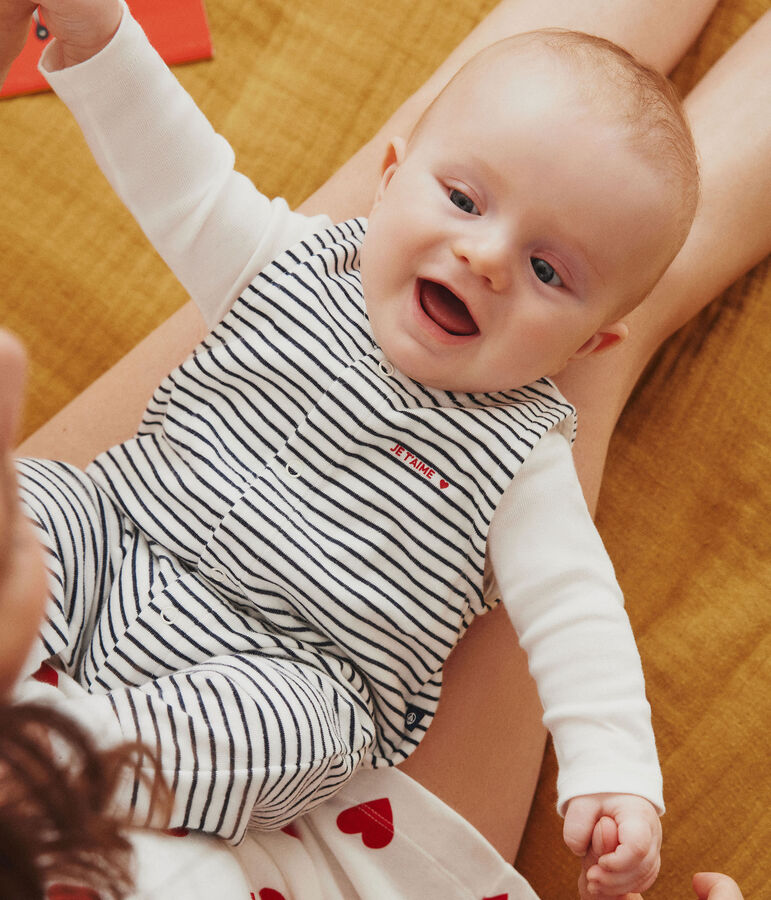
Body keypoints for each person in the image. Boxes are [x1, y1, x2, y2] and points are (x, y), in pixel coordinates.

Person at [2, 0, 769, 897]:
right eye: (461, 199)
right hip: (115, 536)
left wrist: (614, 775)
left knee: (288, 731)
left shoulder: (524, 456)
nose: (484, 257)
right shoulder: (292, 264)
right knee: (40, 503)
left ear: (586, 345)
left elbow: (575, 612)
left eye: (548, 273)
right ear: (388, 181)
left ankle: (70, 764)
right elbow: (184, 180)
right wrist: (99, 42)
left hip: (286, 664)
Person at [0, 329, 749, 900]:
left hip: (68, 661)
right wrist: (615, 770)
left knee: (448, 299)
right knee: (531, 372)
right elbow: (569, 600)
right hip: (320, 828)